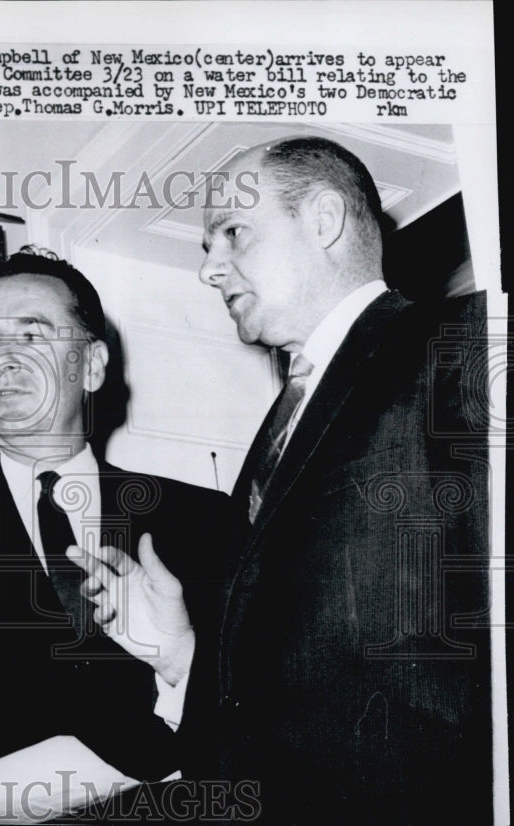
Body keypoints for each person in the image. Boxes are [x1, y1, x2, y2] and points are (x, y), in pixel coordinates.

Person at [76, 137, 492, 823]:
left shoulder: (459, 343)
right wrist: (183, 657)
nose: (211, 268)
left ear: (324, 221)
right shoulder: (284, 418)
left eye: (233, 233)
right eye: (207, 247)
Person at [0, 247, 231, 783]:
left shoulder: (202, 520)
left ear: (92, 366)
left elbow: (263, 720)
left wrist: (179, 664)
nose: (1, 359)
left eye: (32, 336)